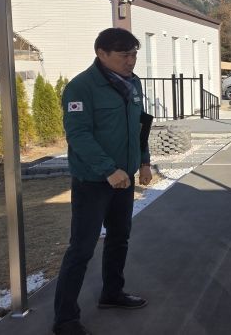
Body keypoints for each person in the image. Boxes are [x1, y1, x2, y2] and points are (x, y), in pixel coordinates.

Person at [53, 28, 152, 335]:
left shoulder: (132, 83)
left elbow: (140, 125)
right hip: (94, 181)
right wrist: (108, 169)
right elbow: (78, 135)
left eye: (134, 54)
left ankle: (112, 293)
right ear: (101, 53)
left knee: (120, 238)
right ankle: (65, 319)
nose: (131, 61)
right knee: (81, 249)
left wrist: (144, 161)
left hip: (124, 178)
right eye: (124, 55)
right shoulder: (81, 87)